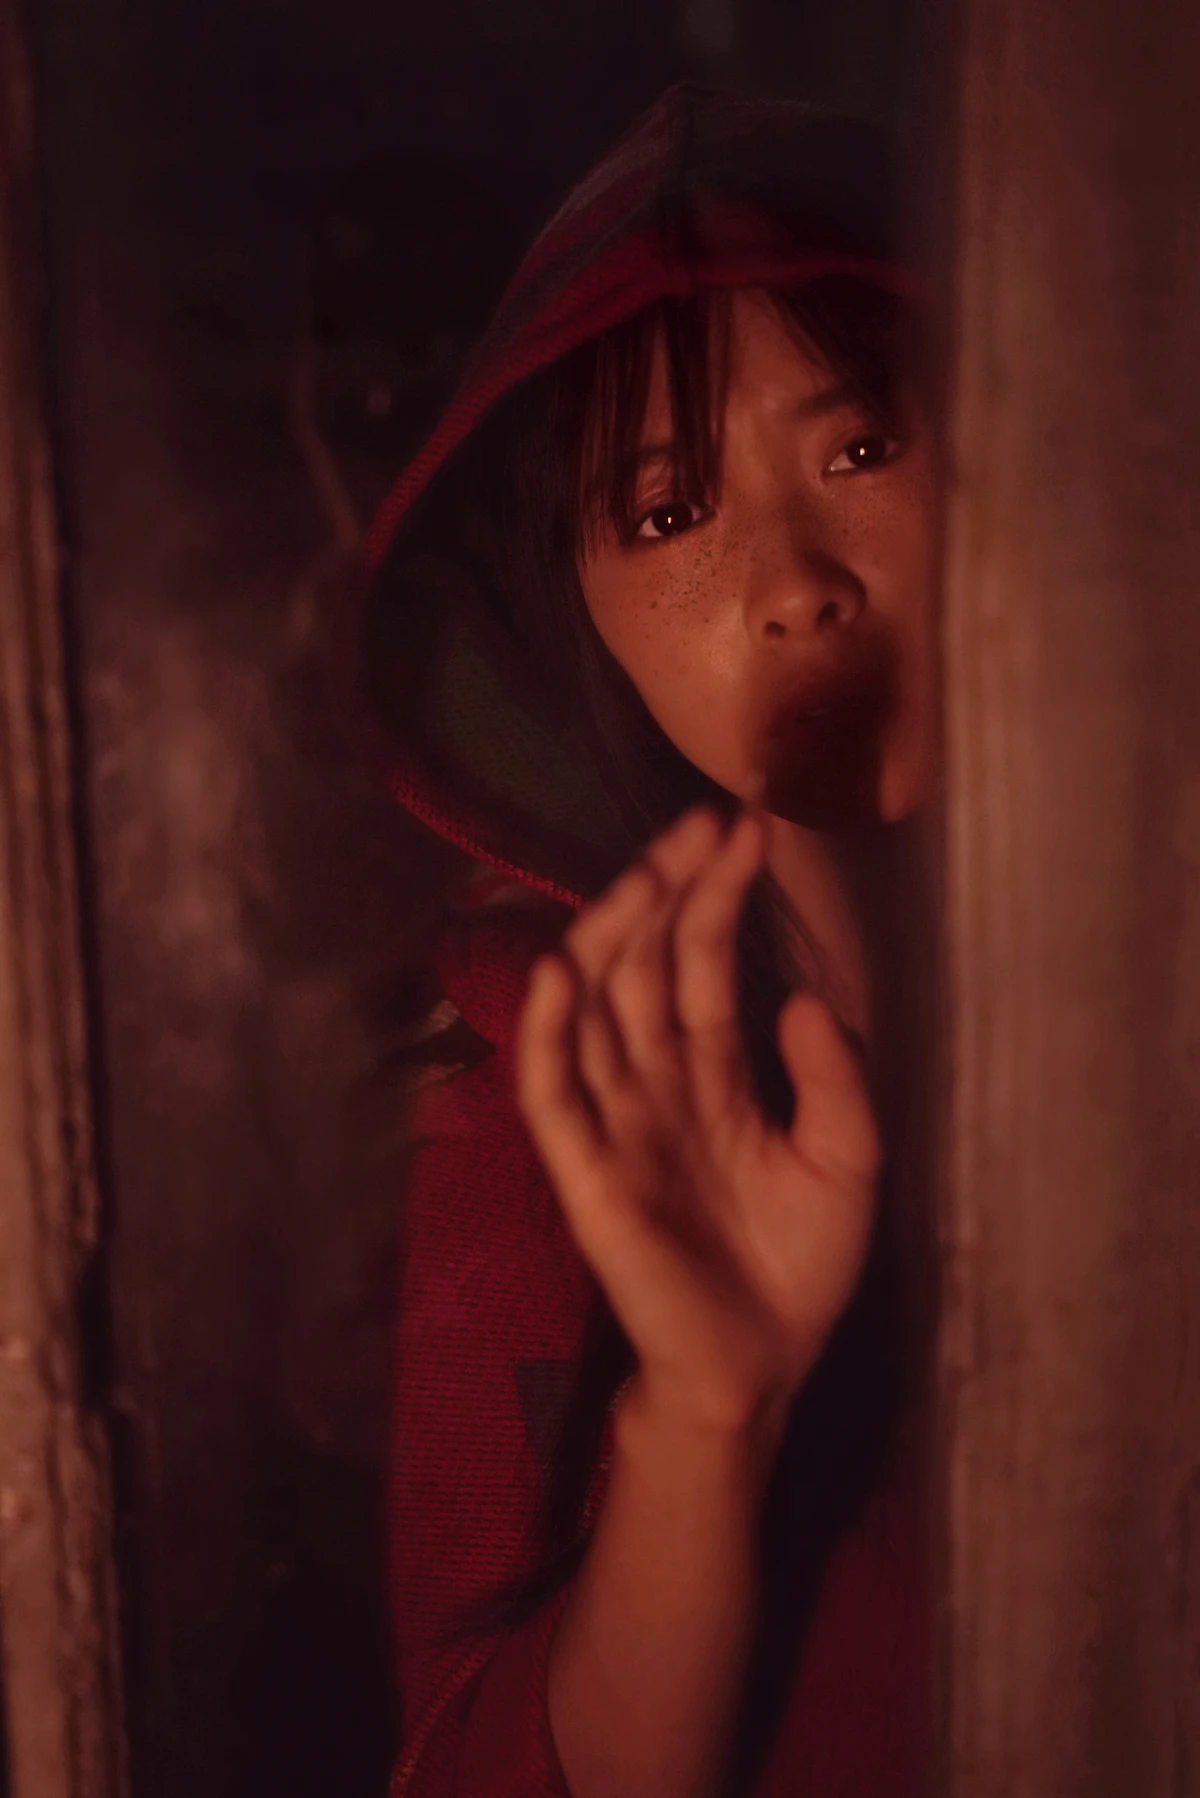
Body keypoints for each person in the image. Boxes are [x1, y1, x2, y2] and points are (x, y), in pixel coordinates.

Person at [355, 82, 939, 1798]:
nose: (794, 579)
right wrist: (703, 1410)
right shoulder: (555, 1095)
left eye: (860, 447)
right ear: (581, 612)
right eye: (671, 511)